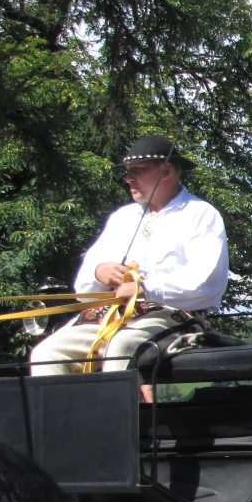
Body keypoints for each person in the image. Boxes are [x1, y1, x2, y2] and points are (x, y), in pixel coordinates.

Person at [31, 136, 229, 379]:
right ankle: (62, 417)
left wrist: (144, 289)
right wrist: (99, 271)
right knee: (48, 352)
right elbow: (83, 289)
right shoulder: (122, 218)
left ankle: (117, 417)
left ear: (166, 170)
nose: (128, 179)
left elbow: (208, 284)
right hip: (113, 316)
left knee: (120, 347)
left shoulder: (200, 214)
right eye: (127, 172)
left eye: (137, 171)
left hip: (173, 318)